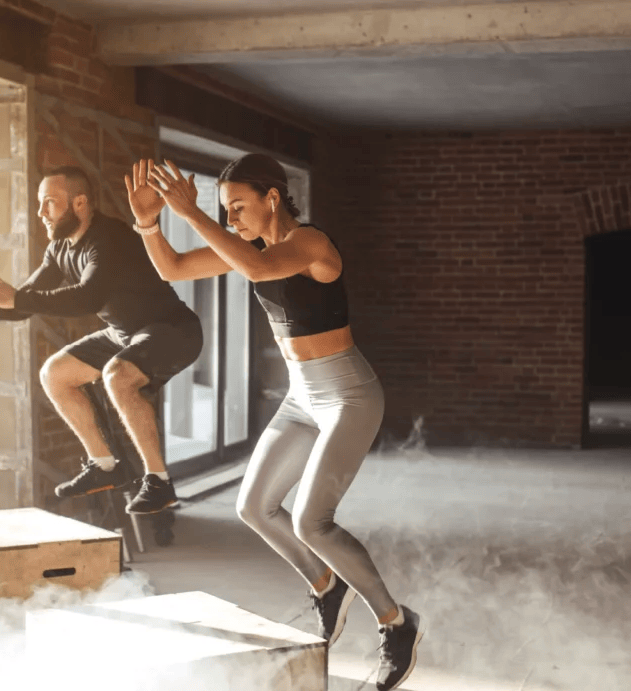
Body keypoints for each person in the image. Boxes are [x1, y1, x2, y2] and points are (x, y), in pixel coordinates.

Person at [124, 155, 424, 690]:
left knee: (313, 522)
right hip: (302, 397)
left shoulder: (311, 244)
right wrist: (149, 223)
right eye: (225, 210)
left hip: (349, 396)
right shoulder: (253, 249)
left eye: (238, 207)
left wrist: (192, 214)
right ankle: (326, 584)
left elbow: (260, 271)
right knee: (253, 506)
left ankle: (396, 623)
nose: (233, 219)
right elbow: (172, 268)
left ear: (273, 197)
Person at [0, 165, 202, 515]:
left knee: (117, 374)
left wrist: (14, 298)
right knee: (55, 373)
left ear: (79, 203)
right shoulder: (60, 247)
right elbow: (27, 298)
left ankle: (159, 482)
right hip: (124, 333)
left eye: (49, 203)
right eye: (39, 204)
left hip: (172, 329)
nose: (40, 213)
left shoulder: (111, 237)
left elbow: (87, 298)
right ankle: (105, 465)